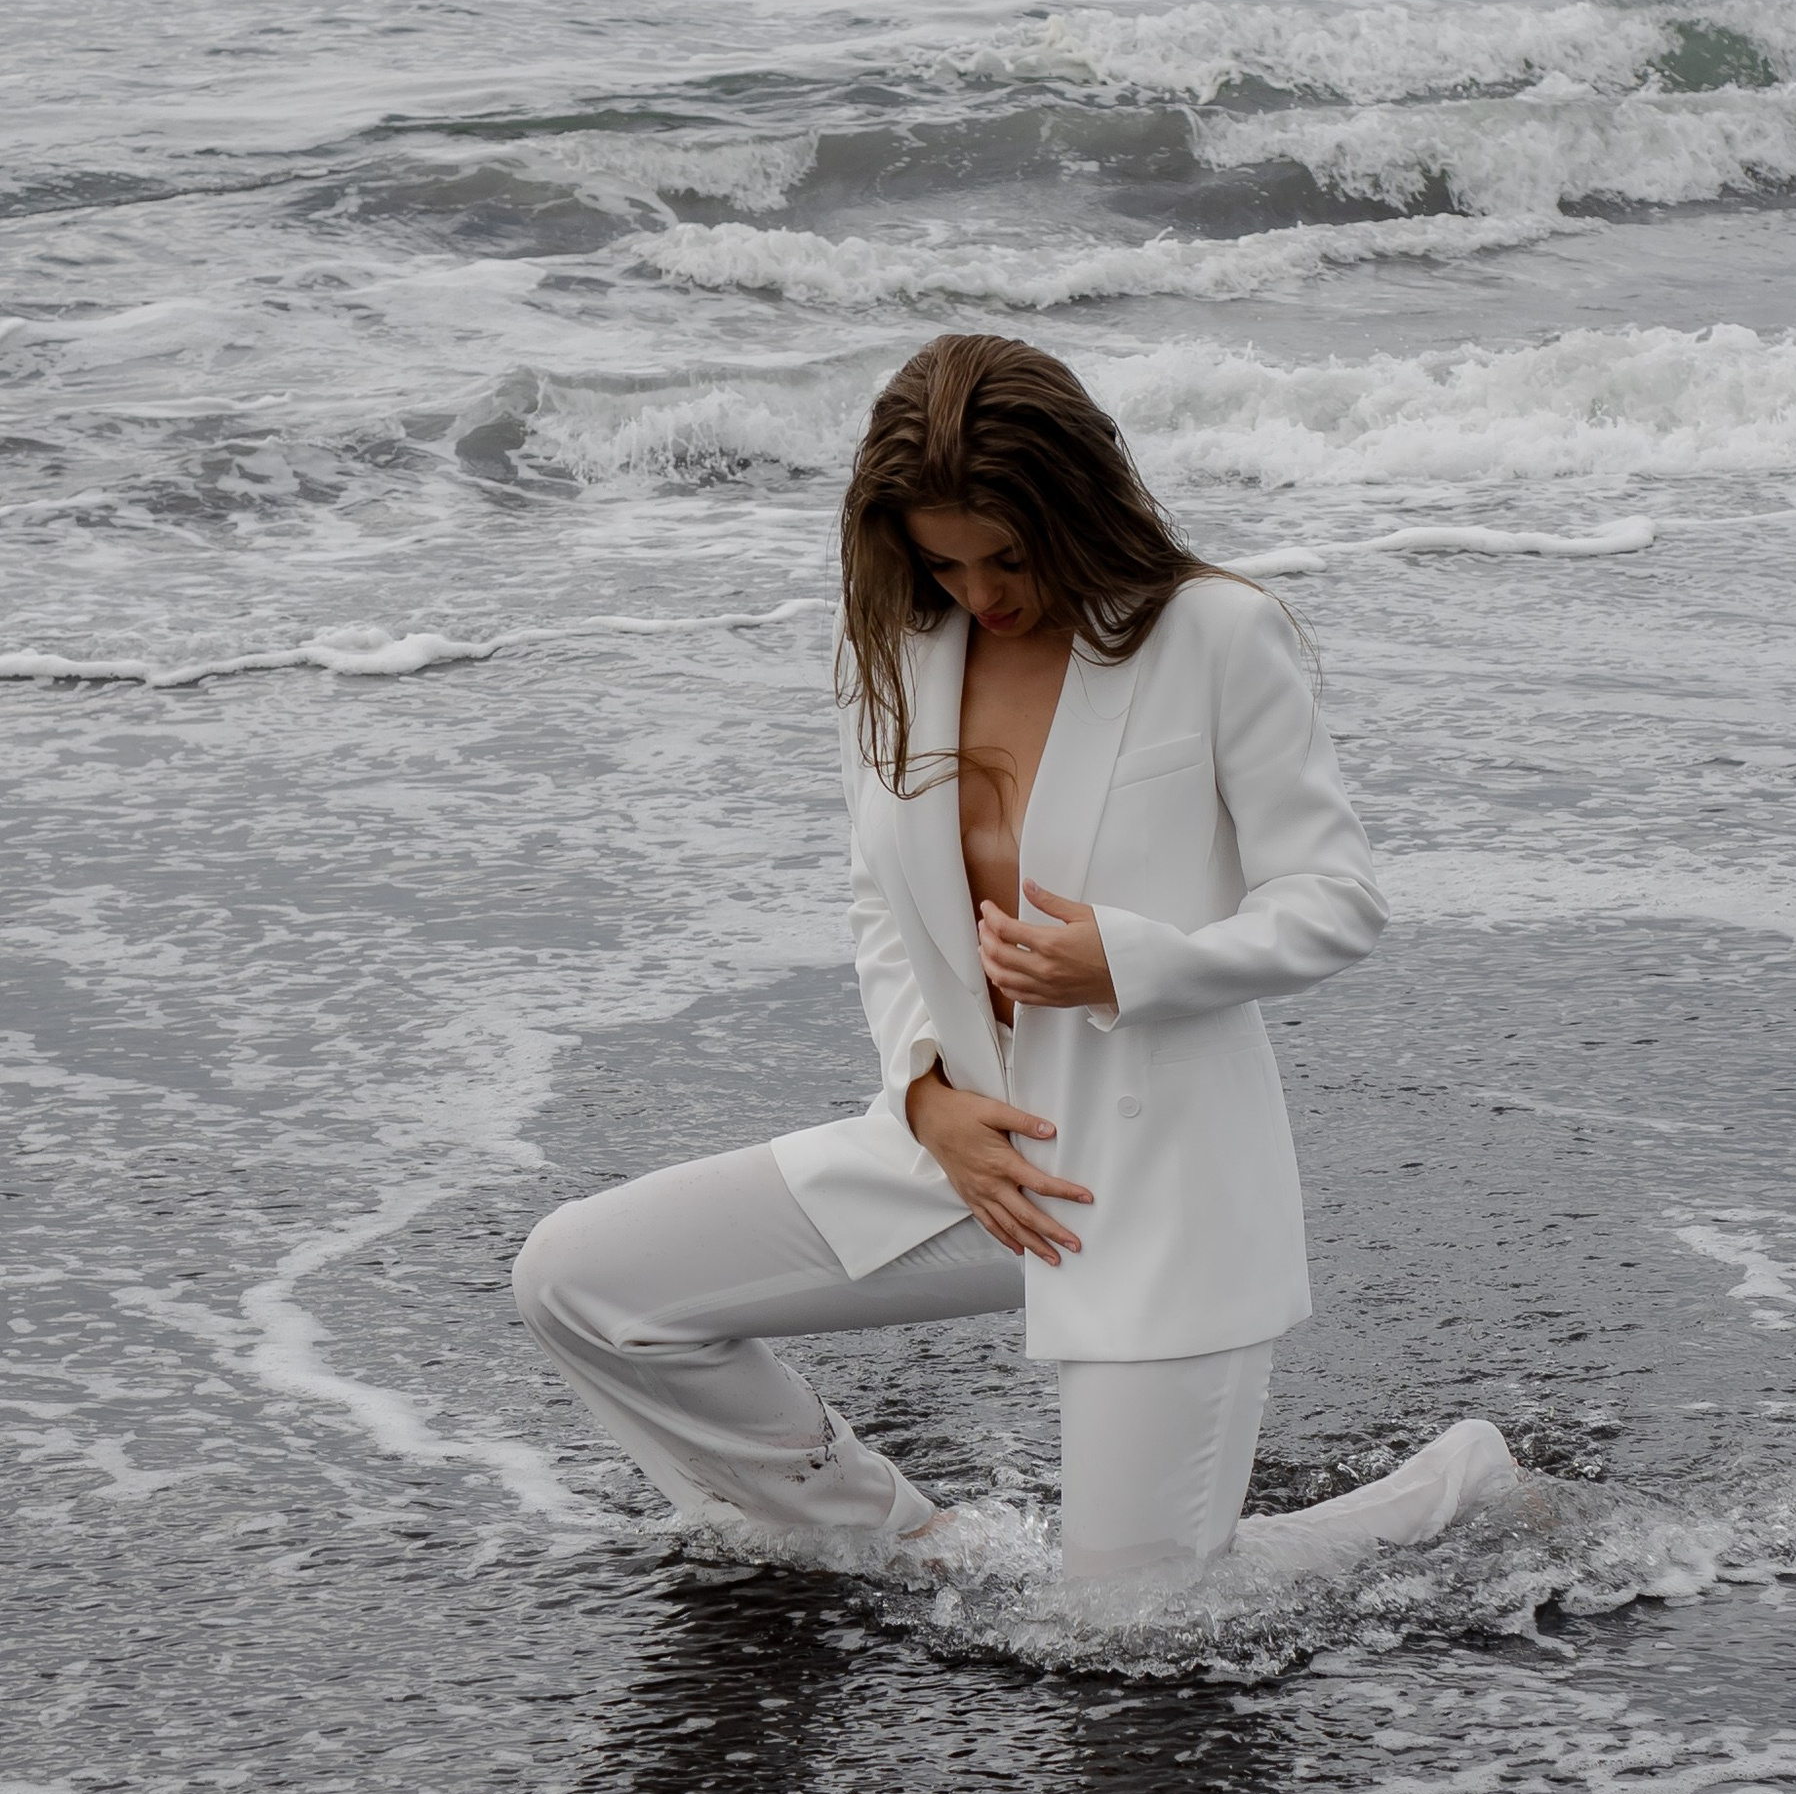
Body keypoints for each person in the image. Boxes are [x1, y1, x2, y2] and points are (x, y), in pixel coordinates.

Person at [513, 331, 1516, 1580]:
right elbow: (882, 902)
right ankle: (905, 1540)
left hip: (1153, 1178)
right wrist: (923, 1093)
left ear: (1075, 507)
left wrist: (1129, 964)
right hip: (959, 1150)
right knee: (580, 1280)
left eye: (1007, 555)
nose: (978, 592)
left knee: (1132, 1625)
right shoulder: (894, 649)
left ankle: (1448, 1489)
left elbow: (1336, 900)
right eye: (942, 560)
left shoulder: (1213, 634)